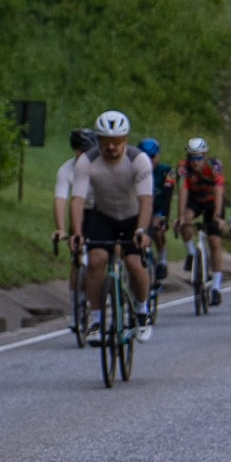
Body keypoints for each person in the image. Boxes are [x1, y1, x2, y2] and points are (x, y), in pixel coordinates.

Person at [77, 110, 155, 339]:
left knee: (133, 261)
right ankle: (98, 320)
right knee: (96, 260)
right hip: (104, 216)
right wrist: (77, 233)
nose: (111, 147)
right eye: (105, 142)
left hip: (134, 217)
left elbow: (146, 200)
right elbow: (78, 200)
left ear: (125, 141)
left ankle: (142, 311)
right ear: (98, 141)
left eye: (116, 142)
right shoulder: (87, 161)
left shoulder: (139, 160)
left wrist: (141, 230)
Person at [178, 137, 226, 307]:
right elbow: (182, 190)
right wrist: (181, 216)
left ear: (205, 156)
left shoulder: (214, 166)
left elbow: (219, 191)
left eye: (198, 157)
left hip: (212, 202)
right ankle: (192, 253)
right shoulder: (184, 168)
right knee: (185, 221)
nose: (195, 161)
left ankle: (217, 286)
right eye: (192, 157)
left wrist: (218, 216)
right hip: (195, 201)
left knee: (214, 241)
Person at [53, 126, 93, 299]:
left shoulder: (99, 166)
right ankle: (76, 306)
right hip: (80, 213)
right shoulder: (66, 170)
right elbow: (60, 200)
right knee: (77, 259)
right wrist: (61, 228)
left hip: (100, 210)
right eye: (81, 151)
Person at [141, 138, 175, 292]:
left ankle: (162, 260)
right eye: (146, 157)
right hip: (141, 208)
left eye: (153, 157)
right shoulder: (136, 170)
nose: (150, 161)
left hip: (159, 207)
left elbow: (168, 198)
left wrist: (164, 218)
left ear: (158, 156)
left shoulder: (166, 171)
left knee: (158, 229)